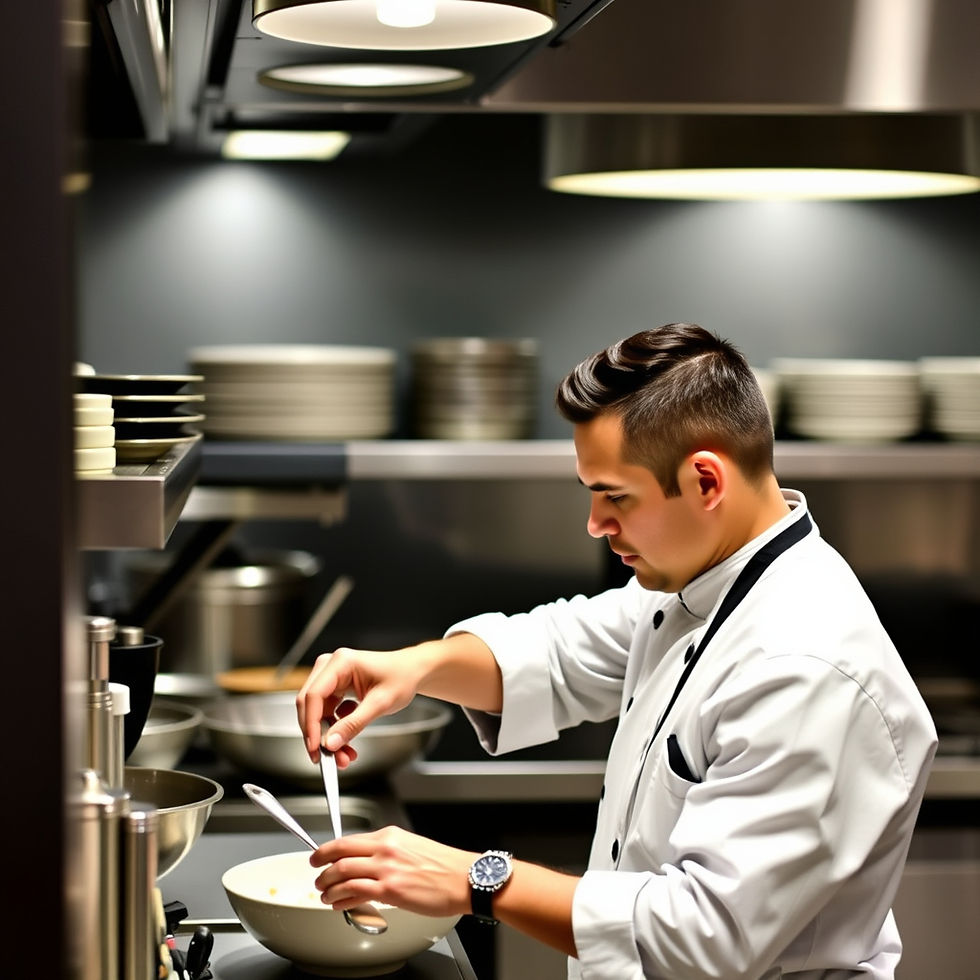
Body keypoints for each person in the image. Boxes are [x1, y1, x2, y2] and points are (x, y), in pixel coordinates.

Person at [296, 322, 937, 979]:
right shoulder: (707, 578)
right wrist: (411, 667)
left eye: (616, 496)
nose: (596, 523)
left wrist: (475, 879)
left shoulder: (805, 669)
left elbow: (702, 937)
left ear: (706, 481)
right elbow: (562, 650)